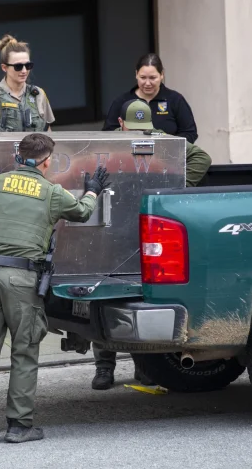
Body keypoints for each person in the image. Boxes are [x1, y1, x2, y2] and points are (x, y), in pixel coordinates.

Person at [0, 133, 110, 445]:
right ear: (47, 161)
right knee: (24, 352)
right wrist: (92, 191)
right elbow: (82, 212)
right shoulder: (51, 191)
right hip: (22, 279)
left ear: (18, 156)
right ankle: (18, 426)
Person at [91, 99, 211, 391]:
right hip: (125, 224)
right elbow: (202, 158)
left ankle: (134, 366)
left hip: (139, 224)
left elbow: (202, 158)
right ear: (121, 124)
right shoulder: (117, 143)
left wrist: (178, 189)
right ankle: (111, 366)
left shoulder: (145, 142)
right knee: (116, 294)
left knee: (131, 295)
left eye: (145, 129)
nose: (141, 134)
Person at [102, 53, 198, 144]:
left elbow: (190, 133)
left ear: (161, 75)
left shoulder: (175, 100)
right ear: (136, 74)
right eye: (143, 77)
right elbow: (107, 134)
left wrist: (168, 147)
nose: (147, 83)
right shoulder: (122, 101)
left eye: (152, 78)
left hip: (167, 157)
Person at [0, 34, 54, 132]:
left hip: (35, 147)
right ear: (4, 67)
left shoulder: (39, 94)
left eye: (28, 65)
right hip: (1, 147)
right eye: (18, 66)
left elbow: (48, 131)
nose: (24, 71)